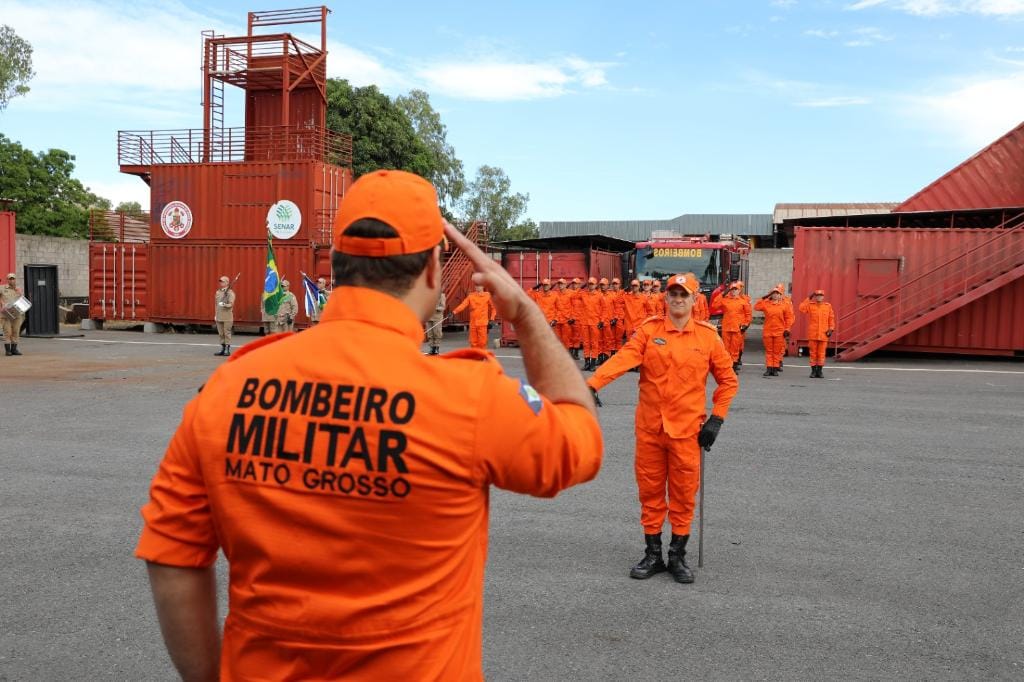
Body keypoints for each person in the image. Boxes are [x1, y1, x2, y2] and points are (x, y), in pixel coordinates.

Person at [135, 169, 603, 680]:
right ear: (431, 268)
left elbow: (173, 555)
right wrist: (528, 315)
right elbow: (579, 440)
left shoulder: (228, 388)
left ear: (337, 263)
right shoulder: (469, 397)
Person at [587, 273, 738, 584]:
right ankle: (653, 553)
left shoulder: (708, 337)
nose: (678, 300)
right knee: (651, 492)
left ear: (696, 300)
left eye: (684, 295)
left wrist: (717, 419)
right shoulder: (649, 331)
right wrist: (592, 384)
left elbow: (728, 381)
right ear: (665, 298)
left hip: (687, 431)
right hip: (651, 429)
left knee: (683, 495)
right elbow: (623, 358)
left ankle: (677, 555)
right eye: (673, 294)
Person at [754, 285, 795, 377]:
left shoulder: (784, 305)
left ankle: (775, 368)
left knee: (776, 351)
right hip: (768, 331)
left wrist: (787, 329)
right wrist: (764, 297)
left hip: (779, 332)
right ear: (771, 295)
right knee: (769, 351)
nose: (775, 295)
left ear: (780, 295)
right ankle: (769, 368)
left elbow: (789, 318)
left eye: (777, 293)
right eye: (774, 293)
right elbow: (756, 307)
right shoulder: (766, 304)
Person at [799, 289, 835, 378]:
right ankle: (813, 372)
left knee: (821, 354)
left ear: (823, 297)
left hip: (823, 334)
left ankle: (819, 371)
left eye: (821, 295)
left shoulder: (828, 306)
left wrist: (831, 329)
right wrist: (809, 298)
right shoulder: (811, 306)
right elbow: (801, 308)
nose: (819, 297)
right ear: (815, 297)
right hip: (813, 334)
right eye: (817, 295)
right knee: (813, 353)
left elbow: (831, 318)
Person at [718, 283, 752, 371]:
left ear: (739, 290)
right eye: (732, 289)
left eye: (735, 289)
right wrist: (722, 294)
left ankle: (733, 365)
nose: (734, 291)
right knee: (726, 348)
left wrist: (745, 325)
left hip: (737, 328)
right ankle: (727, 366)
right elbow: (715, 304)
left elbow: (748, 314)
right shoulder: (725, 300)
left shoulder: (743, 301)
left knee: (735, 348)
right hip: (726, 328)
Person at [452, 284, 496, 349]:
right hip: (473, 323)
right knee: (473, 342)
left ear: (483, 286)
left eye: (479, 286)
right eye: (476, 286)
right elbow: (463, 305)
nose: (477, 287)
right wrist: (454, 312)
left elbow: (494, 307)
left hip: (482, 323)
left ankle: (481, 356)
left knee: (482, 342)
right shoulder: (471, 296)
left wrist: (492, 318)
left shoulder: (487, 295)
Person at [579, 277, 602, 371]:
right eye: (589, 284)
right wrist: (581, 287)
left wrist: (602, 320)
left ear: (596, 285)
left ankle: (593, 363)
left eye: (592, 284)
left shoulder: (599, 295)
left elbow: (604, 309)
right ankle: (587, 363)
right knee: (586, 343)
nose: (590, 285)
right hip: (585, 322)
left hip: (594, 323)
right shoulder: (583, 294)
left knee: (594, 343)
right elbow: (573, 296)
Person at [1, 272, 25, 356]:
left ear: (15, 280)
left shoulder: (18, 289)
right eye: (10, 278)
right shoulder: (2, 288)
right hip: (6, 314)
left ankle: (14, 349)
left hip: (17, 314)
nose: (11, 280)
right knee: (7, 332)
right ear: (7, 280)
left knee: (16, 331)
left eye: (13, 278)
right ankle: (8, 351)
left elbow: (23, 300)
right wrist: (2, 304)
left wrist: (20, 293)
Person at [213, 275, 235, 357]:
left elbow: (231, 304)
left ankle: (227, 349)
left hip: (227, 316)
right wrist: (215, 314)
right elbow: (216, 305)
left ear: (227, 282)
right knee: (221, 333)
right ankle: (222, 348)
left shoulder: (230, 293)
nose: (221, 283)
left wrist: (225, 304)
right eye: (220, 281)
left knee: (226, 333)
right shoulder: (218, 292)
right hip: (219, 316)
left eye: (223, 281)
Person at [425, 290, 446, 355]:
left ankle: (437, 347)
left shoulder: (441, 295)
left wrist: (435, 308)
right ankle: (432, 348)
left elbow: (443, 307)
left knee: (437, 332)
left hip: (437, 317)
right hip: (428, 316)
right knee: (430, 333)